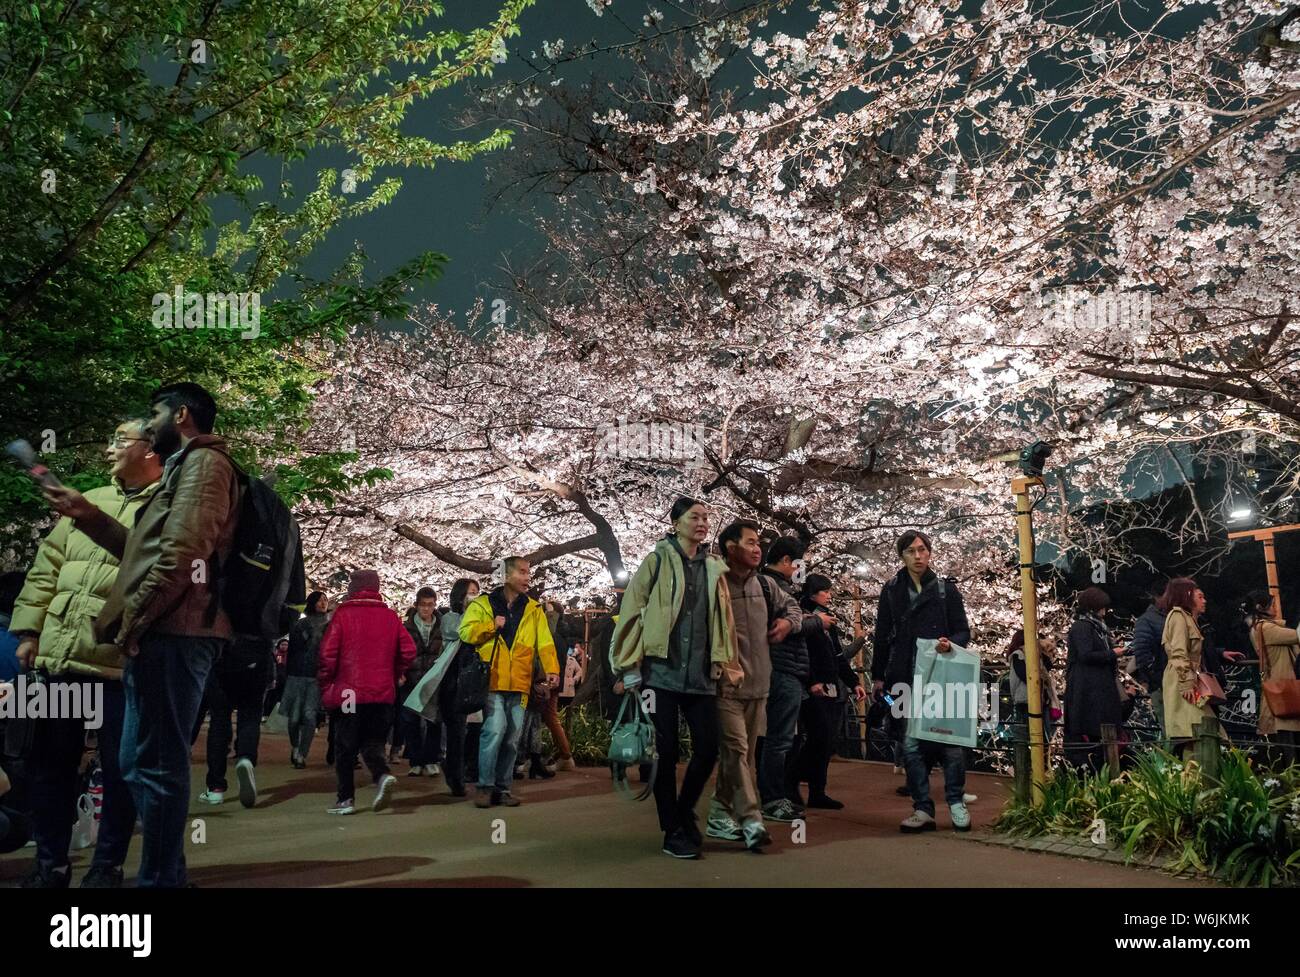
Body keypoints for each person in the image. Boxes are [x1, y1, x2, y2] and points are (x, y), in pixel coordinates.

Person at [42, 382, 241, 888]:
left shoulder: (204, 464)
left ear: (180, 416)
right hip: (166, 631)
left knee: (155, 765)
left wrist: (133, 621)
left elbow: (181, 556)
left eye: (154, 415)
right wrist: (86, 515)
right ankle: (166, 873)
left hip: (177, 632)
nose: (149, 427)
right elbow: (143, 550)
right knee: (137, 762)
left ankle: (159, 881)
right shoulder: (186, 466)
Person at [9, 418, 162, 888]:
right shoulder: (91, 497)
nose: (111, 448)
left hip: (120, 666)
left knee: (121, 771)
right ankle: (50, 864)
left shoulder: (169, 506)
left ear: (152, 449)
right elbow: (46, 568)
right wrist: (28, 631)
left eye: (122, 440)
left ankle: (107, 867)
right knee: (47, 764)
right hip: (59, 660)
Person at [609, 497, 735, 858]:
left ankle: (682, 812)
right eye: (694, 516)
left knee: (709, 747)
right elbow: (632, 609)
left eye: (706, 517)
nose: (702, 522)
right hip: (661, 671)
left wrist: (726, 664)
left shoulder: (713, 566)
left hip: (700, 674)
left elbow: (724, 621)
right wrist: (629, 665)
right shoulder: (658, 560)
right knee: (663, 753)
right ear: (676, 522)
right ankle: (672, 830)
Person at [870, 529, 973, 833]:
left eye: (922, 550)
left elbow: (963, 631)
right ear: (901, 556)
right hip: (903, 674)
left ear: (930, 553)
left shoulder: (945, 590)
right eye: (911, 551)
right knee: (911, 743)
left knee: (950, 741)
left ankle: (955, 801)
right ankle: (922, 808)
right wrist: (878, 675)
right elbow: (881, 635)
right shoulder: (891, 590)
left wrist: (949, 642)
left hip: (941, 674)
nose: (918, 556)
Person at [707, 519, 799, 851]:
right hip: (725, 687)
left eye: (758, 542)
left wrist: (788, 623)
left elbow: (793, 607)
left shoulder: (765, 585)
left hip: (760, 686)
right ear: (730, 548)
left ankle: (720, 813)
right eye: (749, 542)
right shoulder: (713, 584)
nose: (757, 548)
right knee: (737, 751)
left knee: (740, 757)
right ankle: (751, 819)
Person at [459, 557, 559, 808]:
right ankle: (485, 786)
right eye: (523, 573)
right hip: (492, 679)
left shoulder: (534, 609)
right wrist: (491, 626)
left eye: (528, 573)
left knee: (512, 737)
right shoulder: (483, 604)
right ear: (507, 575)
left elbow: (545, 642)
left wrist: (552, 669)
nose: (528, 578)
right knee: (494, 730)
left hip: (520, 681)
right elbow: (465, 632)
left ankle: (502, 789)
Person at [317, 570, 416, 815]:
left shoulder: (343, 614)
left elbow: (327, 655)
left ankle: (345, 799)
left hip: (349, 693)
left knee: (345, 746)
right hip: (382, 692)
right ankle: (382, 776)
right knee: (373, 742)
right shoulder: (390, 617)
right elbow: (409, 650)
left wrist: (326, 683)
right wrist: (395, 673)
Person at [757, 536, 823, 822]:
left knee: (783, 738)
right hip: (782, 668)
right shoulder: (771, 586)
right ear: (786, 561)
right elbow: (780, 627)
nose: (801, 570)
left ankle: (777, 795)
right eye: (798, 564)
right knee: (779, 739)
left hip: (784, 669)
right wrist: (817, 621)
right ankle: (772, 798)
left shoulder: (772, 585)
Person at [798, 574, 866, 810]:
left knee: (825, 738)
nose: (829, 595)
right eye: (825, 591)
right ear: (813, 593)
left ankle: (816, 789)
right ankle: (794, 776)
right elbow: (803, 652)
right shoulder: (804, 616)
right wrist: (811, 680)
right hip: (813, 686)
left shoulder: (829, 620)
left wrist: (853, 681)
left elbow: (837, 656)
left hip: (830, 684)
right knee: (819, 736)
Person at [199, 629, 274, 808]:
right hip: (257, 657)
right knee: (250, 716)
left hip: (223, 656)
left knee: (219, 721)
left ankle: (215, 788)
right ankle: (245, 758)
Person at [1159, 577, 1229, 757]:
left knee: (1199, 731)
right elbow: (1178, 652)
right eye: (1200, 596)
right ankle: (1196, 779)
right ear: (1187, 595)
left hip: (1187, 678)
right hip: (1183, 680)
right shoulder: (1178, 617)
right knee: (1195, 730)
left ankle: (1196, 778)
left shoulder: (1188, 618)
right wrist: (1186, 682)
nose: (1204, 600)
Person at [1063, 587, 1126, 770]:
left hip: (1096, 687)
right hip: (1089, 690)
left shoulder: (1095, 628)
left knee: (1103, 730)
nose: (1104, 612)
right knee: (1094, 731)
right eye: (1102, 608)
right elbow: (1085, 654)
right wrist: (1112, 653)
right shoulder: (1083, 627)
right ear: (1094, 607)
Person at [1241, 589, 1298, 768]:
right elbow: (1297, 636)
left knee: (1285, 740)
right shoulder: (1266, 629)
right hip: (1282, 690)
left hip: (1280, 687)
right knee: (1287, 742)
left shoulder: (1260, 627)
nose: (1275, 608)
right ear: (1260, 607)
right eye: (1272, 604)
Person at [433, 578, 479, 796]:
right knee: (456, 731)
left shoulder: (479, 618)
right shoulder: (450, 619)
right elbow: (461, 633)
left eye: (477, 593)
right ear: (460, 595)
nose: (474, 596)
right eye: (470, 592)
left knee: (472, 731)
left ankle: (463, 771)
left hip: (474, 680)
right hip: (453, 680)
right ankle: (456, 777)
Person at [283, 591, 329, 768]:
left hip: (316, 676)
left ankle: (302, 753)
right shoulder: (300, 624)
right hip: (297, 674)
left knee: (310, 716)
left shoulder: (330, 625)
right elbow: (294, 650)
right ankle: (295, 746)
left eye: (325, 600)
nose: (323, 603)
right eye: (319, 600)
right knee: (294, 718)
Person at [400, 586, 443, 776]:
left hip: (434, 679)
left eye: (430, 605)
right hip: (411, 678)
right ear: (416, 606)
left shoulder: (442, 626)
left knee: (434, 720)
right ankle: (416, 761)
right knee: (411, 722)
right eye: (423, 605)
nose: (426, 609)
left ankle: (431, 759)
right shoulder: (406, 627)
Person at [1128, 583, 1169, 744]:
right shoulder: (1147, 621)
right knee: (1170, 727)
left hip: (1169, 679)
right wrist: (1153, 678)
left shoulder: (1172, 616)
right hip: (1161, 681)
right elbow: (1142, 652)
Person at [1007, 629, 1060, 743]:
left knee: (1044, 735)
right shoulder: (1018, 655)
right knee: (1034, 735)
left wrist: (1046, 653)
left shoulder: (1036, 656)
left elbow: (1048, 666)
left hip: (1041, 699)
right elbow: (1024, 675)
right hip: (1026, 700)